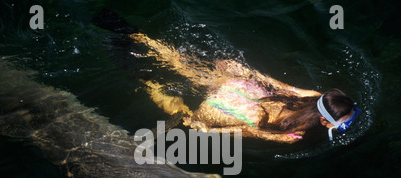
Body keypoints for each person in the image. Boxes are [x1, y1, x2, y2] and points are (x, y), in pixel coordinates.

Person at [93, 10, 361, 143]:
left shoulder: (314, 96)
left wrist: (247, 73)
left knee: (180, 63)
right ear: (327, 123)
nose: (346, 125)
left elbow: (281, 86)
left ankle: (137, 36)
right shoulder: (292, 134)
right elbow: (247, 129)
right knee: (181, 110)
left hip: (243, 88)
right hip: (229, 109)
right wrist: (206, 129)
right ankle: (140, 75)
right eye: (344, 122)